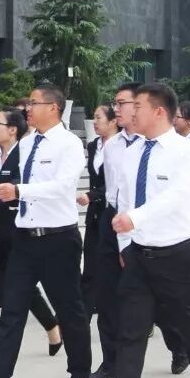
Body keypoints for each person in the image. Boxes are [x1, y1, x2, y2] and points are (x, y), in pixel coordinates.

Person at [89, 83, 190, 378]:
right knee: (131, 329)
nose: (130, 112)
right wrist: (126, 244)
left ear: (159, 111)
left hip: (180, 254)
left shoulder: (187, 153)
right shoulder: (131, 151)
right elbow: (123, 199)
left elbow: (175, 197)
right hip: (139, 253)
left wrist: (136, 219)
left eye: (137, 106)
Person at [0, 84, 94, 378]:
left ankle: (80, 374)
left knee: (69, 308)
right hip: (24, 238)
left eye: (34, 103)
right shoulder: (27, 143)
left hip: (58, 238)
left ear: (53, 108)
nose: (28, 109)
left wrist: (20, 191)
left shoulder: (69, 144)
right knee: (12, 310)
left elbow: (62, 186)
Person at [93, 82, 188, 378]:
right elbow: (117, 194)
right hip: (115, 222)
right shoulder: (113, 146)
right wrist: (122, 240)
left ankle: (179, 345)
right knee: (108, 294)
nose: (117, 109)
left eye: (124, 103)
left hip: (153, 225)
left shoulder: (169, 148)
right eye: (116, 103)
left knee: (159, 300)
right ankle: (111, 362)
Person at [0, 107, 63, 364]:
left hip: (15, 228)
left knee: (21, 286)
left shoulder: (25, 155)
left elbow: (17, 186)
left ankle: (52, 325)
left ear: (12, 130)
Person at [79, 104, 118, 315]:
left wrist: (92, 195)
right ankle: (83, 313)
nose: (94, 122)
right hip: (95, 212)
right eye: (93, 118)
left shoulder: (122, 145)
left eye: (98, 118)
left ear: (113, 121)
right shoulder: (94, 145)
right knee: (91, 262)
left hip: (112, 212)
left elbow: (116, 182)